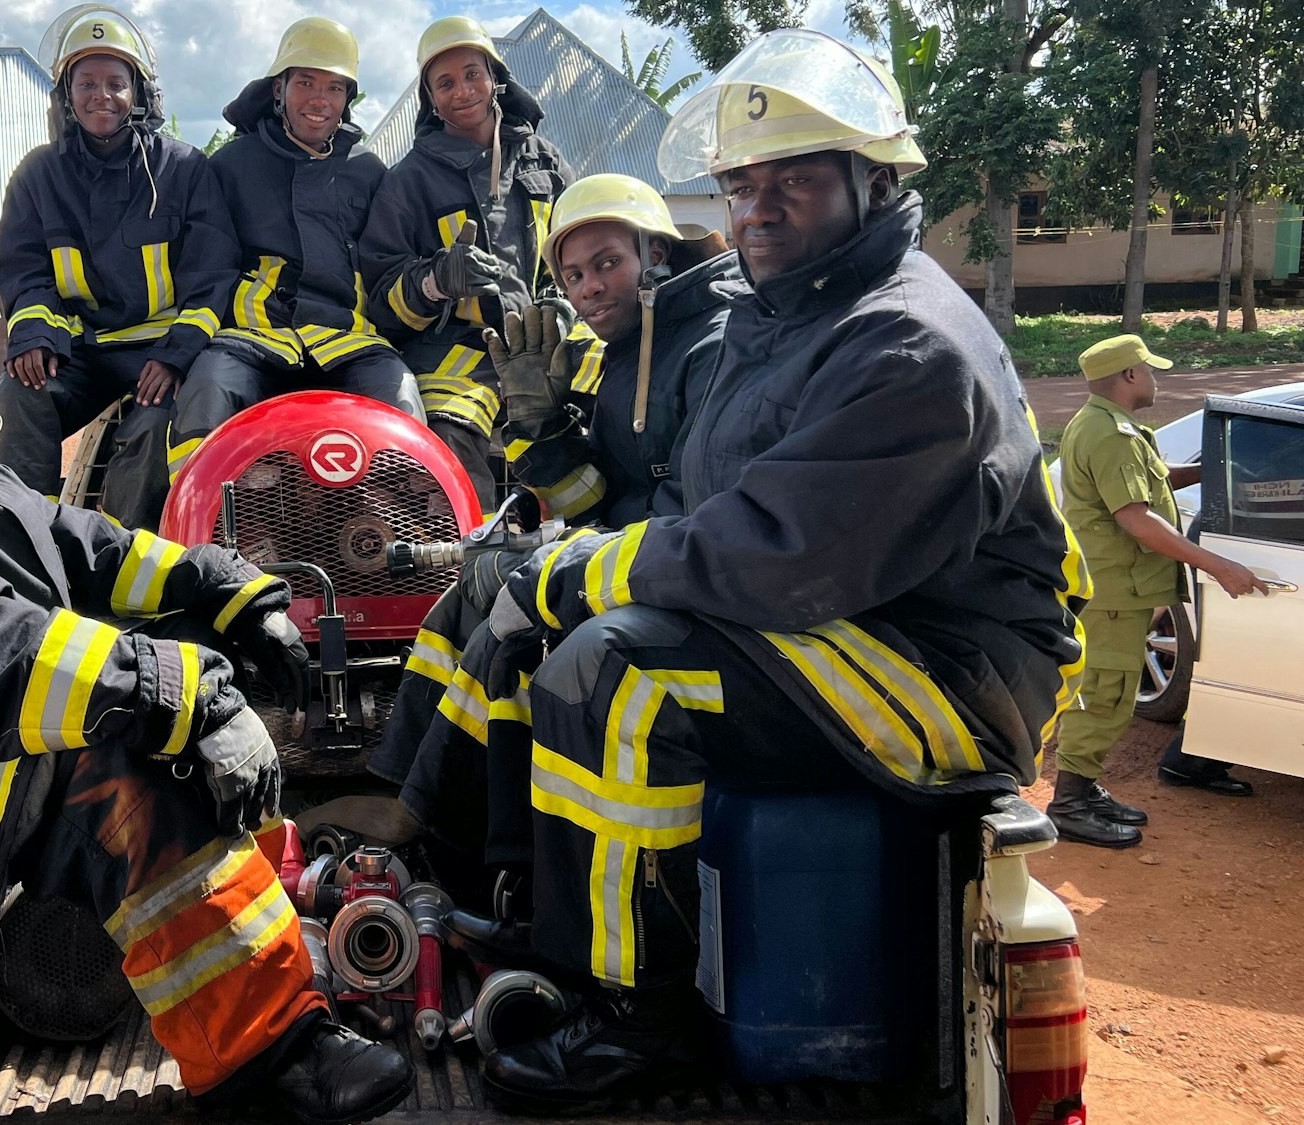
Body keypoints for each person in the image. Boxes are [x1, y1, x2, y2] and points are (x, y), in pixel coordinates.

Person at [439, 31, 1089, 1110]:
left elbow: (774, 555)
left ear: (872, 180)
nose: (758, 208)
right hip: (857, 624)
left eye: (793, 179)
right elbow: (703, 505)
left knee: (623, 671)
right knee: (546, 631)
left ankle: (636, 1022)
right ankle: (517, 908)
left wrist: (583, 575)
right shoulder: (783, 316)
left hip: (949, 671)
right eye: (742, 184)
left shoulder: (905, 344)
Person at [0, 237, 410, 1124]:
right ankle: (272, 1062)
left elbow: (83, 544)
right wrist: (183, 693)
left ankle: (273, 928)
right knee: (132, 755)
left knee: (164, 675)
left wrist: (224, 593)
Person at [370, 175, 739, 880]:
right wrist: (541, 428)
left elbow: (685, 522)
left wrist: (550, 557)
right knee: (465, 598)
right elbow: (597, 497)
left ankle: (495, 863)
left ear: (655, 255)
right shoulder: (628, 350)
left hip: (681, 583)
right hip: (631, 557)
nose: (589, 287)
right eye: (573, 274)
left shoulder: (707, 348)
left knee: (510, 635)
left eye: (607, 262)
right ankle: (400, 791)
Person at [0, 5, 238, 529]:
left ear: (140, 94)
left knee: (153, 433)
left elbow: (213, 277)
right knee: (17, 396)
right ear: (66, 95)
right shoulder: (38, 175)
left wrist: (176, 357)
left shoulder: (184, 169)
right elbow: (25, 270)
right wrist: (34, 335)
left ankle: (121, 565)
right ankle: (18, 546)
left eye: (116, 83)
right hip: (79, 350)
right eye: (86, 83)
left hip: (159, 355)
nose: (102, 95)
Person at [164, 18, 423, 489]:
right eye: (305, 82)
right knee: (208, 389)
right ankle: (193, 531)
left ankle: (400, 537)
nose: (320, 99)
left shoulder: (368, 171)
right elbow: (210, 263)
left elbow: (387, 264)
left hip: (347, 339)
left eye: (335, 86)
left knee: (399, 395)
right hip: (251, 336)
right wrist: (185, 348)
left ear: (348, 99)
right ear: (278, 89)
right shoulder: (230, 166)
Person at [1052, 334, 1266, 846]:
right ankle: (1068, 803)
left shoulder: (1113, 426)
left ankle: (1083, 788)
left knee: (1113, 694)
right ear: (1128, 376)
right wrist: (1219, 565)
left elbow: (1156, 481)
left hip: (1122, 588)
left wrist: (1224, 476)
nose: (1156, 380)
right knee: (1104, 697)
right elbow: (1138, 520)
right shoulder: (1110, 435)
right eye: (1149, 371)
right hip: (1113, 592)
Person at [358, 15, 574, 510]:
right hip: (456, 357)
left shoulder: (545, 162)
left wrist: (564, 307)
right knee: (448, 438)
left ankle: (590, 550)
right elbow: (381, 303)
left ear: (495, 77)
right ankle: (471, 569)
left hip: (548, 344)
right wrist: (435, 280)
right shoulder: (406, 182)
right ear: (430, 100)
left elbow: (576, 251)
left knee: (612, 402)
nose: (463, 91)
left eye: (472, 74)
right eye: (445, 83)